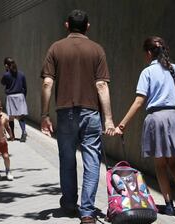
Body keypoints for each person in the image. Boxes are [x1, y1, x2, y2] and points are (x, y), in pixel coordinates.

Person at [40, 9, 116, 224]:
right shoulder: (97, 50)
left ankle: (70, 203)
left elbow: (47, 82)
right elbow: (102, 85)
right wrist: (108, 118)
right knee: (92, 161)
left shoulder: (56, 48)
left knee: (67, 159)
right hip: (91, 113)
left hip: (64, 113)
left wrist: (44, 114)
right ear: (87, 27)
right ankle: (88, 212)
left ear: (67, 25)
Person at [114, 36, 175, 217]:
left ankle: (169, 206)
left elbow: (139, 101)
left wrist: (123, 125)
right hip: (174, 117)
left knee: (160, 165)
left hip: (156, 119)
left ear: (149, 53)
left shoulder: (147, 72)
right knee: (174, 162)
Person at [1, 57, 29, 142]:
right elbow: (25, 87)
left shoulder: (6, 75)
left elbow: (2, 82)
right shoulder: (21, 74)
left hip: (11, 96)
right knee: (21, 117)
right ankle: (23, 131)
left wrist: (7, 71)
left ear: (6, 65)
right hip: (20, 96)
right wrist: (23, 96)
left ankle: (12, 135)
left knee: (11, 117)